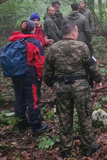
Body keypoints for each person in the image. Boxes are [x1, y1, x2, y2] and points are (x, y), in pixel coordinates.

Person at [43, 25, 102, 157]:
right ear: (74, 33)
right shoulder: (82, 46)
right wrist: (98, 79)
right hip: (80, 88)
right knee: (85, 116)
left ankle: (65, 149)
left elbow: (47, 70)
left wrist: (49, 83)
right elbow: (92, 66)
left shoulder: (53, 48)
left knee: (64, 118)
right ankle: (89, 146)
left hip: (61, 88)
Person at [7, 20, 47, 133]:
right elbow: (40, 62)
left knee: (19, 99)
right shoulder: (34, 42)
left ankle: (21, 124)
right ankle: (36, 126)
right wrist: (40, 76)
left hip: (16, 73)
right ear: (32, 29)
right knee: (33, 99)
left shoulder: (14, 41)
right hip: (30, 73)